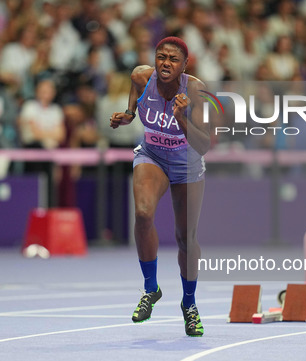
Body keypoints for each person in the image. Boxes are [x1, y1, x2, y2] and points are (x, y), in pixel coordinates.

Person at [110, 36, 210, 337]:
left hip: (187, 163)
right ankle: (151, 289)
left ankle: (189, 305)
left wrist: (181, 119)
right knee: (142, 214)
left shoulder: (195, 91)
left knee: (185, 238)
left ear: (185, 65)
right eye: (161, 56)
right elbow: (136, 92)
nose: (166, 63)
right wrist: (129, 113)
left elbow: (203, 144)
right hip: (152, 154)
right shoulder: (142, 76)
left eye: (173, 59)